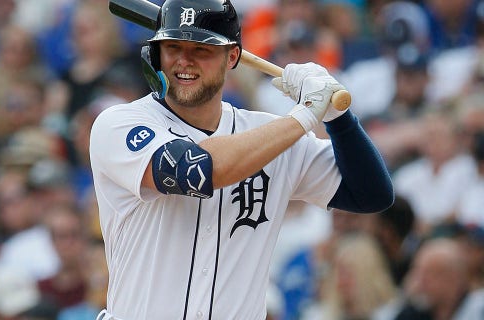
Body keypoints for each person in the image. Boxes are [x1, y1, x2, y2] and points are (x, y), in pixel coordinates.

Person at [89, 0, 394, 319]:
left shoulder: (271, 135)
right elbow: (198, 170)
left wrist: (339, 119)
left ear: (232, 56)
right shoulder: (120, 123)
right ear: (156, 54)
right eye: (173, 47)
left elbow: (371, 194)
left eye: (201, 50)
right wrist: (303, 116)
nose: (184, 61)